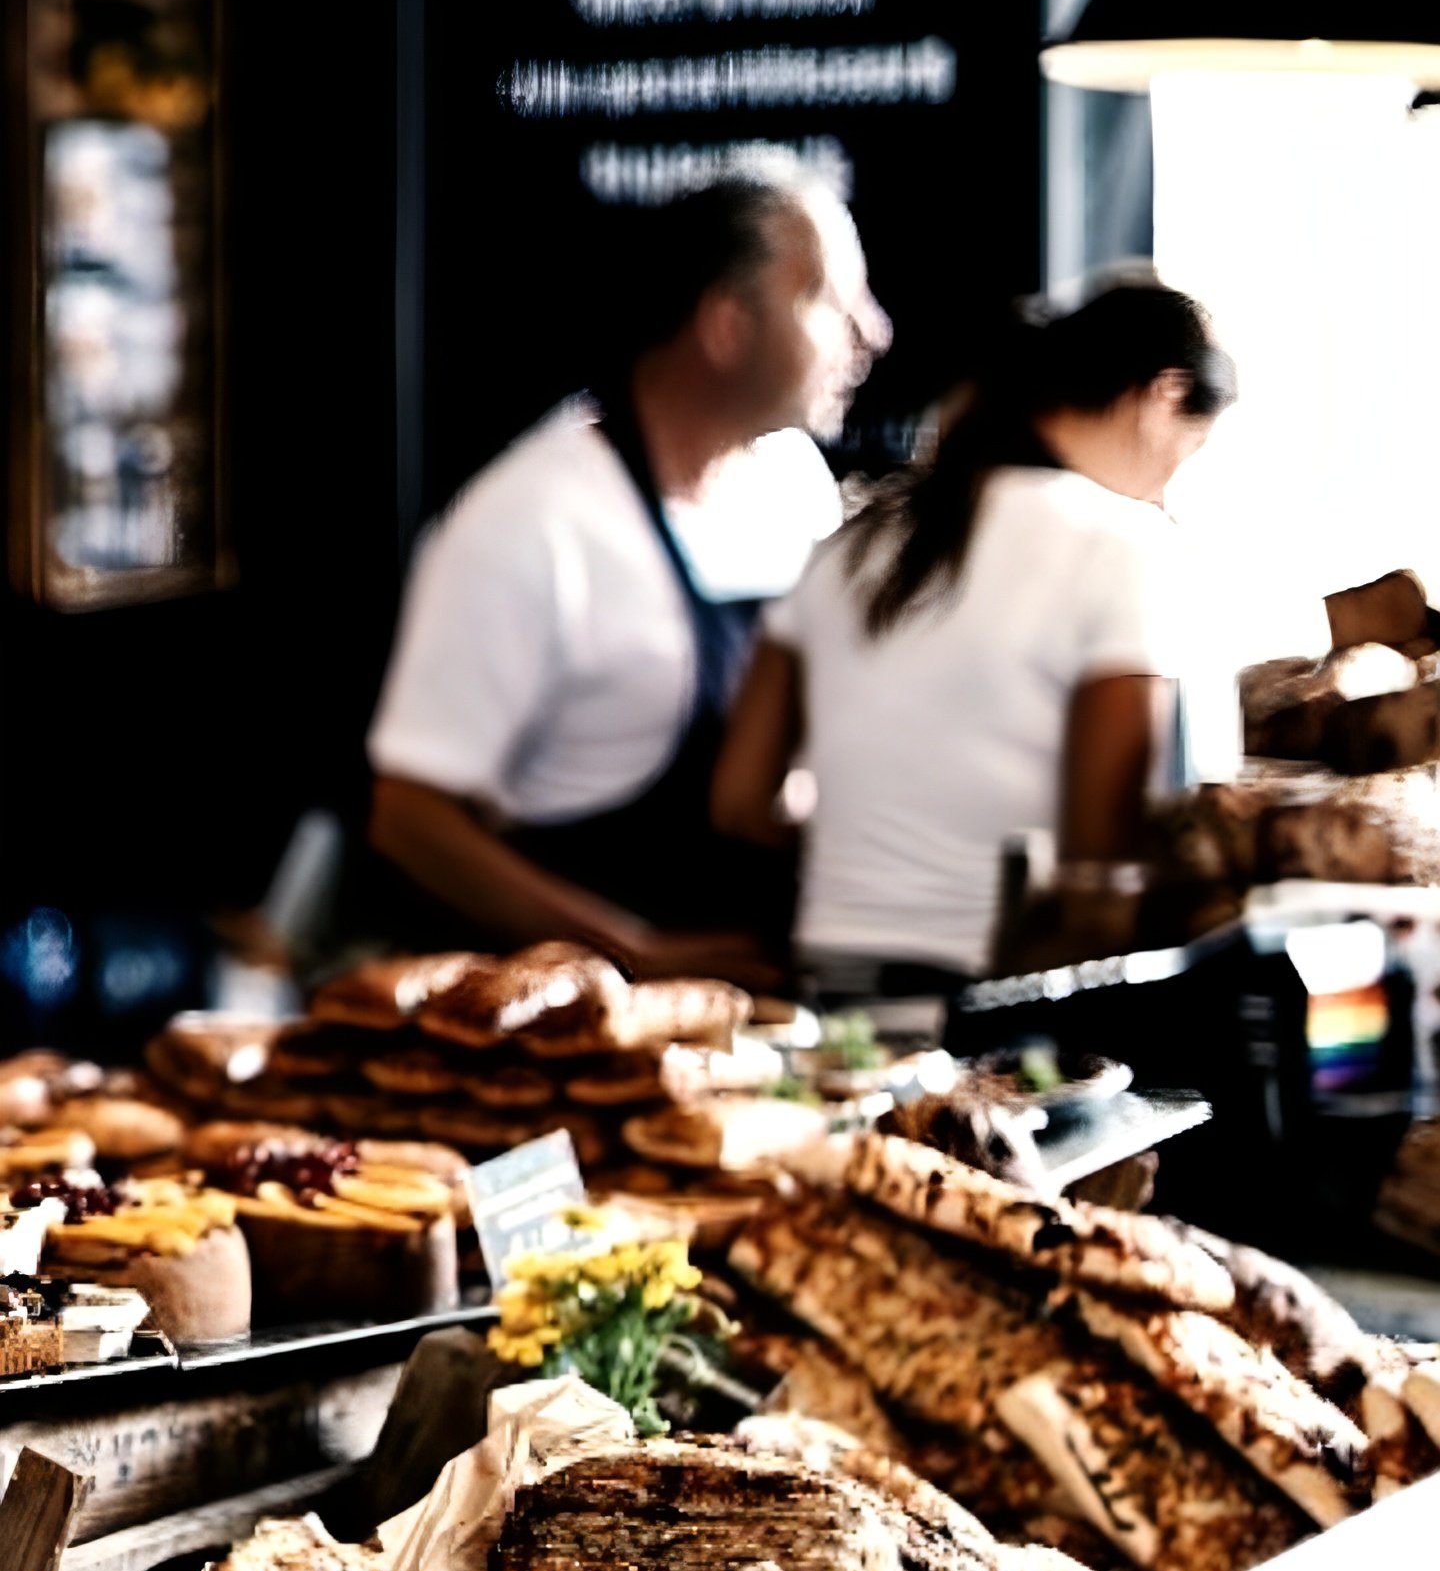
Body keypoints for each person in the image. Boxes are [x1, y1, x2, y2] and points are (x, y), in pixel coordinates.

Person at [367, 160, 891, 979]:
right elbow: (409, 819)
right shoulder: (530, 520)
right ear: (726, 325)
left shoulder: (794, 481)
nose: (873, 333)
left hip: (767, 999)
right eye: (829, 299)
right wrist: (631, 955)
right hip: (565, 1032)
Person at [711, 277, 1238, 989]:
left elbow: (740, 802)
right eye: (1191, 448)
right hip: (1004, 1010)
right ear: (1162, 398)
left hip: (832, 992)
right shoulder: (1124, 548)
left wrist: (879, 861)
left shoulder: (849, 545)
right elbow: (1099, 868)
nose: (1170, 483)